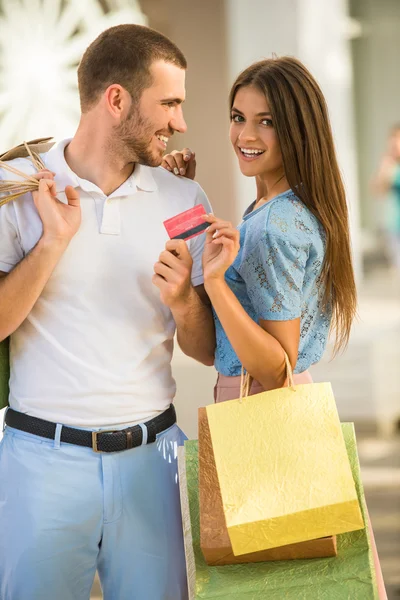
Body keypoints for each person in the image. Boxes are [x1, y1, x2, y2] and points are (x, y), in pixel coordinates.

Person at [0, 24, 215, 600]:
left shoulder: (186, 200)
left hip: (155, 463)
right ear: (116, 100)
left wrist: (185, 300)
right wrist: (50, 244)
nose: (180, 122)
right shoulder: (16, 187)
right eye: (168, 103)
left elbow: (203, 348)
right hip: (41, 464)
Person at [163, 56, 387, 599]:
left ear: (298, 128)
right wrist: (186, 204)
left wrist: (214, 282)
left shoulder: (279, 225)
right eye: (238, 117)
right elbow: (222, 345)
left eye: (267, 121)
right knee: (303, 579)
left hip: (261, 413)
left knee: (267, 583)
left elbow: (275, 368)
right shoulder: (270, 207)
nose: (247, 134)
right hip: (263, 412)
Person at [371, 124, 400, 276]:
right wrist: (385, 168)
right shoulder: (389, 165)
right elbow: (378, 191)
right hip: (394, 224)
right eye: (393, 139)